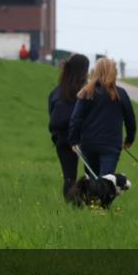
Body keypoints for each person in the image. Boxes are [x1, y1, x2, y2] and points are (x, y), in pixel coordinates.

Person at [69, 57, 137, 178]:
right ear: (113, 71)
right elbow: (130, 119)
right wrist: (129, 139)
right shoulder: (121, 94)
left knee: (92, 181)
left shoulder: (86, 92)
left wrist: (74, 140)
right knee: (106, 182)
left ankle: (93, 197)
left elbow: (76, 118)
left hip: (88, 144)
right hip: (111, 145)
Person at [48, 54, 89, 200]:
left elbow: (51, 115)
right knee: (90, 176)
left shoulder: (56, 92)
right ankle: (90, 204)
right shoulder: (88, 90)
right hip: (85, 139)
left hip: (63, 140)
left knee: (69, 178)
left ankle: (71, 206)